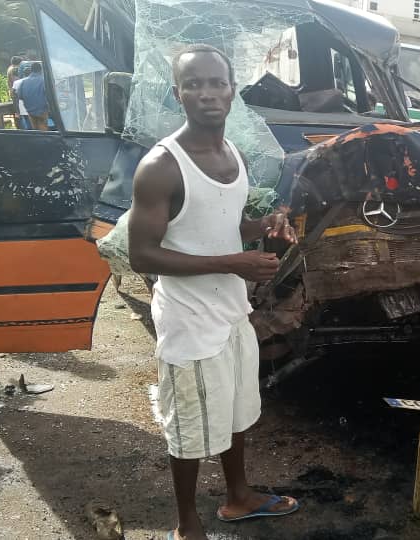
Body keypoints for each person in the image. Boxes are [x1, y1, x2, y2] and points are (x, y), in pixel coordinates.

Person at [128, 44, 300, 540]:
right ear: (178, 93)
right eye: (194, 84)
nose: (207, 93)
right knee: (188, 428)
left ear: (232, 89)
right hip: (189, 319)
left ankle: (238, 497)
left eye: (216, 82)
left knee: (236, 409)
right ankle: (186, 525)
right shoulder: (162, 165)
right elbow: (143, 255)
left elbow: (224, 224)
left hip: (230, 311)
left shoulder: (234, 154)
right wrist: (235, 262)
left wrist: (264, 225)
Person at [17, 61, 49, 131]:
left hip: (30, 110)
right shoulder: (43, 80)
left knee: (35, 130)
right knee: (43, 129)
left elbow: (19, 96)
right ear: (41, 69)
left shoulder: (23, 82)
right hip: (42, 110)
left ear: (31, 70)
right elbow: (49, 95)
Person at [10, 62, 33, 130]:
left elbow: (13, 95)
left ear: (23, 73)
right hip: (33, 107)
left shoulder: (17, 82)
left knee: (25, 123)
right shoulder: (34, 82)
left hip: (22, 106)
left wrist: (16, 109)